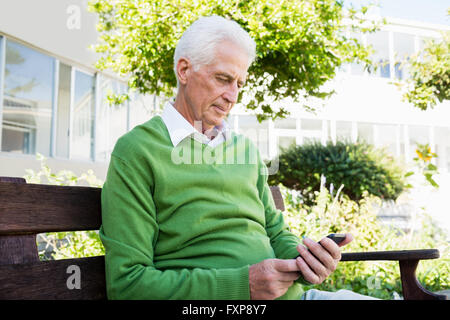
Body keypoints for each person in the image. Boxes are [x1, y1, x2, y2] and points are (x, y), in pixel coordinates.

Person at [100, 15, 376, 300]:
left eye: (239, 84)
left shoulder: (245, 150)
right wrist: (241, 286)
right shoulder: (137, 151)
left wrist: (308, 262)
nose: (232, 96)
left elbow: (276, 234)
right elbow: (128, 285)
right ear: (184, 70)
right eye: (223, 79)